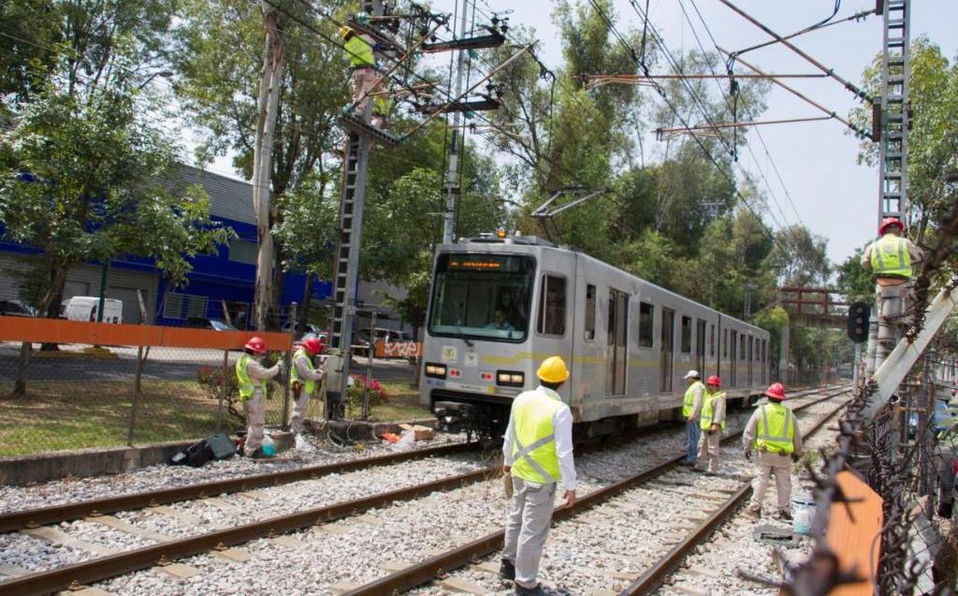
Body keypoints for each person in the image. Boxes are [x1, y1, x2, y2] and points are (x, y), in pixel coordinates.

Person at [500, 356, 576, 596]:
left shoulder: (521, 399)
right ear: (562, 381)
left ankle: (508, 565)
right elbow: (564, 451)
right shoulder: (560, 410)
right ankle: (525, 583)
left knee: (516, 519)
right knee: (533, 531)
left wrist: (507, 462)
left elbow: (510, 434)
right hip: (542, 480)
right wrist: (571, 485)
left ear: (539, 375)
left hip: (520, 472)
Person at [860, 217, 924, 363]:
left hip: (882, 286)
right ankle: (908, 326)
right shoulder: (904, 242)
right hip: (902, 285)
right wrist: (910, 260)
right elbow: (920, 256)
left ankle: (884, 325)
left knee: (882, 316)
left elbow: (864, 263)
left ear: (883, 232)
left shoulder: (874, 246)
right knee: (910, 310)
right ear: (898, 230)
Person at [743, 382, 803, 520]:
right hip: (783, 455)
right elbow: (797, 437)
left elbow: (749, 432)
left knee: (761, 479)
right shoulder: (789, 415)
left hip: (765, 453)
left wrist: (747, 448)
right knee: (784, 483)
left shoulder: (761, 411)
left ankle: (755, 509)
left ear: (768, 397)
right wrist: (797, 452)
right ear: (782, 399)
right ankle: (784, 511)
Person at [236, 336, 282, 458]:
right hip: (254, 396)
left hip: (248, 395)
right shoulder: (251, 364)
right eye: (259, 352)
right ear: (255, 351)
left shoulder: (242, 360)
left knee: (251, 423)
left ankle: (246, 447)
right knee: (257, 423)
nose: (260, 354)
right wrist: (278, 367)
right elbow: (266, 374)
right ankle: (252, 449)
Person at [340, 24, 379, 117]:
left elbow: (345, 58)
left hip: (356, 71)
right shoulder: (365, 37)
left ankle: (353, 107)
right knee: (366, 91)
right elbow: (377, 46)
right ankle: (358, 110)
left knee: (357, 92)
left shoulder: (347, 46)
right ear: (352, 31)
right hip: (368, 69)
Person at [289, 337, 325, 436]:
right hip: (300, 385)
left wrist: (315, 371)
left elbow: (308, 371)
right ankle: (295, 432)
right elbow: (307, 374)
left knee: (300, 408)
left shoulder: (303, 356)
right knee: (298, 409)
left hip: (302, 386)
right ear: (309, 349)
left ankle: (295, 429)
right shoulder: (301, 357)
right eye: (313, 351)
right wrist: (320, 375)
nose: (314, 354)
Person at [696, 375, 726, 474]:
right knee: (701, 446)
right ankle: (700, 465)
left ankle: (712, 469)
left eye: (712, 385)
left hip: (712, 428)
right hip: (705, 427)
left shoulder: (719, 398)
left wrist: (715, 424)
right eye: (709, 384)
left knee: (712, 449)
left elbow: (719, 412)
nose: (710, 386)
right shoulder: (710, 397)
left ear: (717, 386)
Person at [681, 370, 705, 467]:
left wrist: (693, 415)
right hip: (693, 416)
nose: (687, 380)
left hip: (693, 417)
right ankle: (693, 457)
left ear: (692, 378)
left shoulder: (697, 387)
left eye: (688, 378)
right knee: (693, 437)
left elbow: (697, 403)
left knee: (693, 438)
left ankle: (692, 459)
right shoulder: (697, 386)